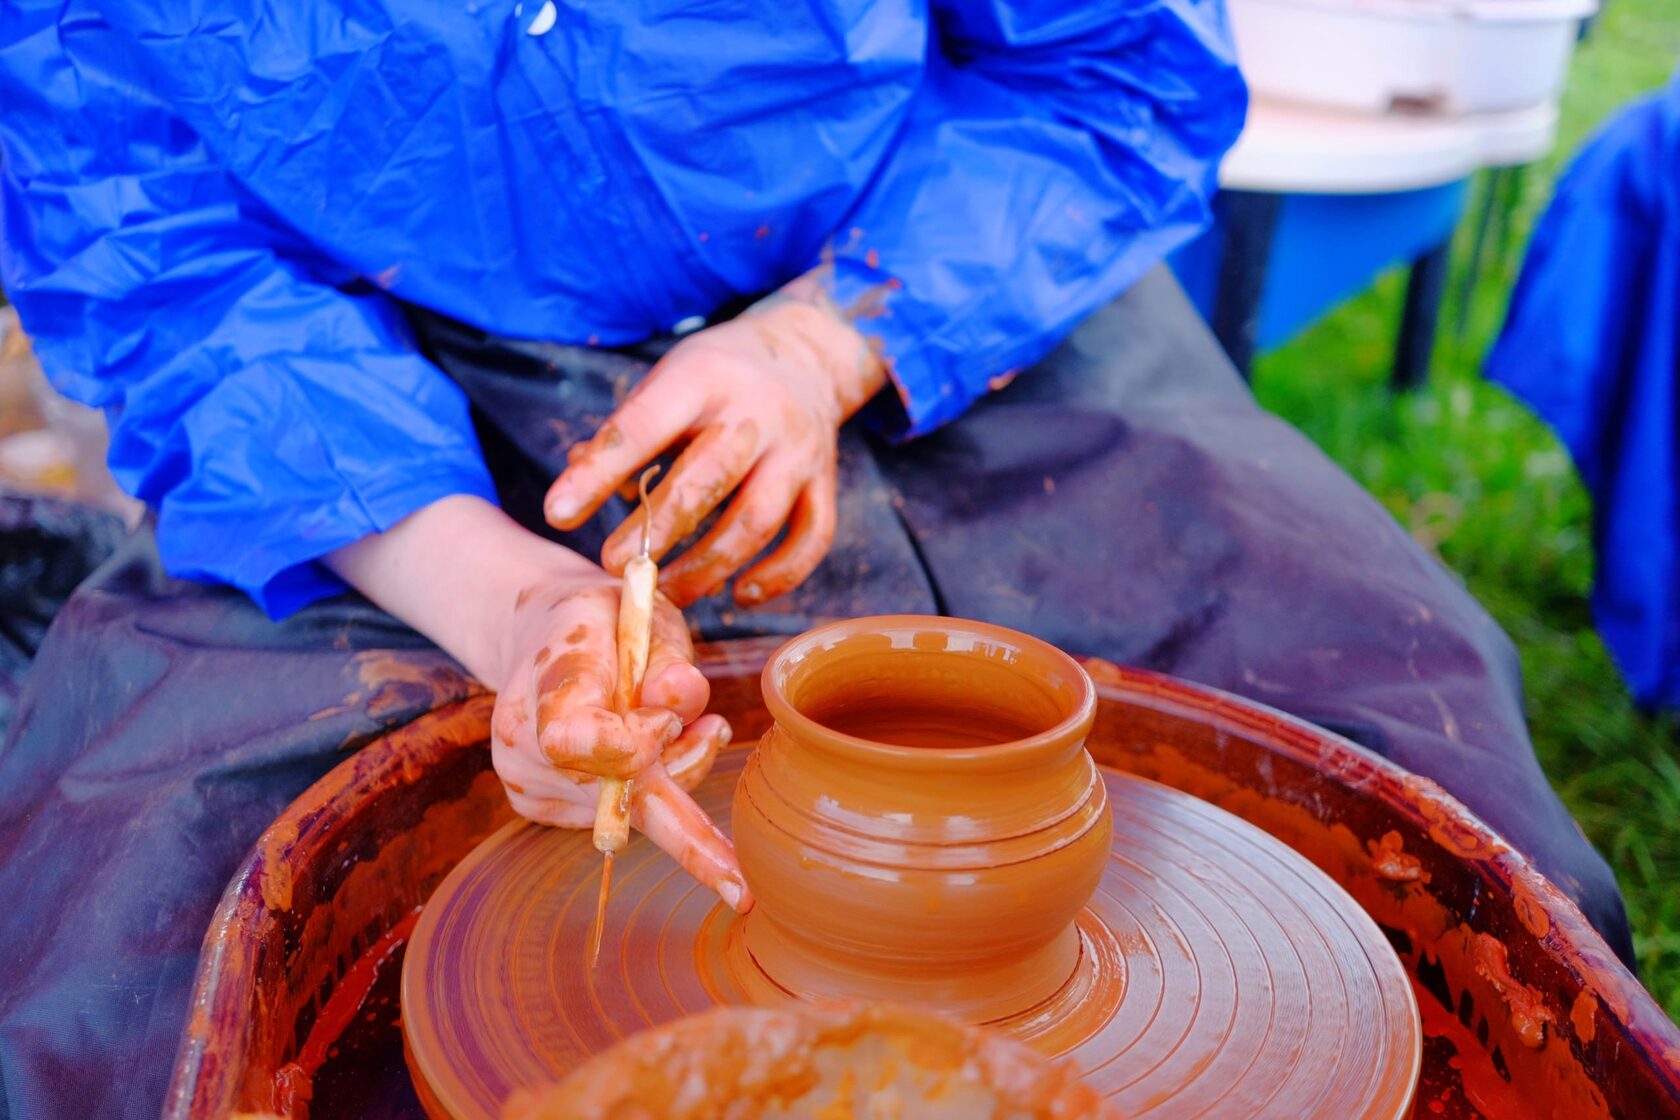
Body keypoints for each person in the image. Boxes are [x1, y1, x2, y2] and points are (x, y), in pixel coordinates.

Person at [0, 1, 1631, 1114]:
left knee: (1420, 789)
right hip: (379, 403)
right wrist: (515, 608)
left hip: (929, 279)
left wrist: (825, 348)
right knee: (119, 954)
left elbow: (1104, 74)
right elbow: (167, 269)